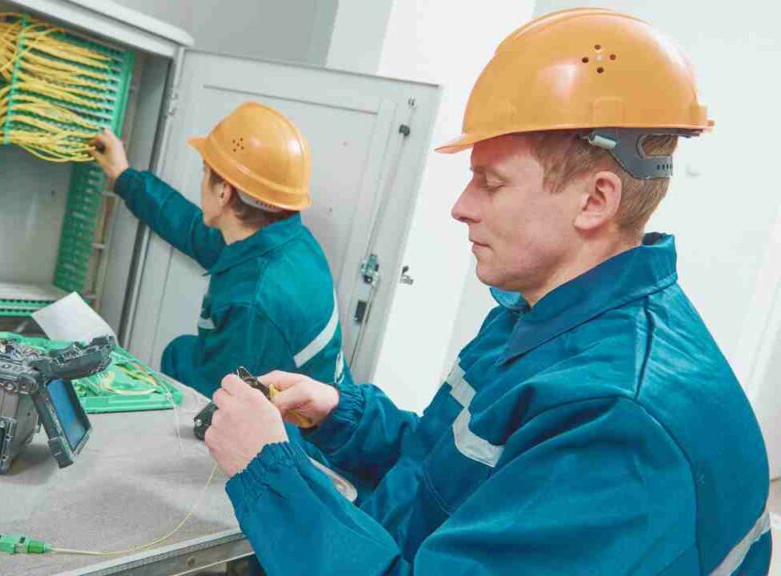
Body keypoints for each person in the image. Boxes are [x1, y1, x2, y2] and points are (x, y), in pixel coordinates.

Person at [202, 8, 772, 574]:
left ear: (594, 201)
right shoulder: (535, 317)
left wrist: (268, 471)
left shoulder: (614, 422)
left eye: (490, 183)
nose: (461, 207)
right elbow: (451, 472)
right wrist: (340, 416)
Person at [90, 101, 351, 396]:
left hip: (295, 435)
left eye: (205, 172)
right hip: (320, 406)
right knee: (181, 353)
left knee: (178, 356)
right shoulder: (288, 243)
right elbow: (191, 229)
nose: (202, 181)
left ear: (224, 192)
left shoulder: (253, 302)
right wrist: (125, 177)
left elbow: (217, 408)